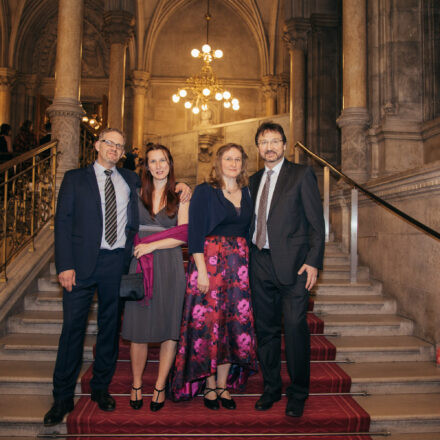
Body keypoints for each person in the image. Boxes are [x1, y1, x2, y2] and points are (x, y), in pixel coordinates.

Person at [43, 128, 140, 427]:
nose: (114, 149)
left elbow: (160, 184)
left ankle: (100, 388)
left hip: (115, 263)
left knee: (110, 329)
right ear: (97, 145)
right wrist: (65, 265)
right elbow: (63, 223)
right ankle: (61, 398)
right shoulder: (75, 178)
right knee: (72, 330)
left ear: (123, 153)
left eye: (119, 146)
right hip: (81, 265)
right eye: (109, 143)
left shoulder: (130, 180)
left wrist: (185, 186)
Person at [171, 143, 258, 410]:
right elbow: (195, 233)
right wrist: (200, 271)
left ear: (243, 164)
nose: (233, 163)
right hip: (208, 264)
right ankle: (209, 386)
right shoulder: (205, 191)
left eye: (237, 159)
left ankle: (223, 386)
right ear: (218, 162)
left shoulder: (248, 192)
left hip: (239, 269)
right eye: (227, 158)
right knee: (207, 327)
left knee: (233, 328)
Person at [249, 121, 325, 418]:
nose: (269, 146)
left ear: (284, 145)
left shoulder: (301, 174)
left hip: (295, 267)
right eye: (263, 141)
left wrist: (314, 260)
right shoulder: (254, 180)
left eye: (274, 141)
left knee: (294, 328)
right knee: (265, 331)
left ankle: (298, 392)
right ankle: (271, 388)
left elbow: (316, 224)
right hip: (260, 262)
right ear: (258, 148)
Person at [121, 144, 189, 412]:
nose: (159, 166)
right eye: (153, 161)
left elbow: (183, 234)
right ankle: (136, 383)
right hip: (140, 265)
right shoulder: (135, 193)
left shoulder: (180, 195)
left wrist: (152, 245)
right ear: (146, 166)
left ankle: (160, 385)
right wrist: (144, 247)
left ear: (170, 164)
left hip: (169, 266)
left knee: (169, 329)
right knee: (137, 329)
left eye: (163, 161)